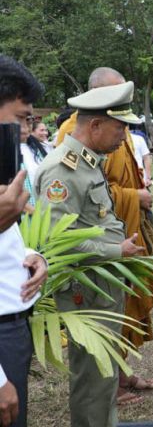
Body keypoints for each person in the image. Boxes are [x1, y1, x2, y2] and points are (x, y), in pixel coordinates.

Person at [36, 81, 146, 427]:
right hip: (87, 292)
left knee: (104, 374)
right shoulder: (62, 170)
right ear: (95, 126)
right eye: (120, 128)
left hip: (102, 284)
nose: (124, 137)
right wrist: (116, 249)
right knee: (93, 379)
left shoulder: (89, 161)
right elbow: (58, 239)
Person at [57, 67, 153, 405]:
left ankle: (122, 372)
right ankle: (109, 388)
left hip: (125, 233)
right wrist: (134, 197)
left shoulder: (116, 127)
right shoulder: (74, 134)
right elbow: (87, 194)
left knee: (124, 305)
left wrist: (137, 192)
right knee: (104, 313)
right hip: (100, 246)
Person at [0, 54, 48, 427]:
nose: (28, 128)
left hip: (14, 323)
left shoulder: (7, 165)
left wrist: (31, 255)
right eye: (21, 118)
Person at [20, 121, 49, 208]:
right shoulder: (5, 151)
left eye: (29, 120)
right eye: (20, 118)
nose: (26, 126)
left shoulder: (37, 148)